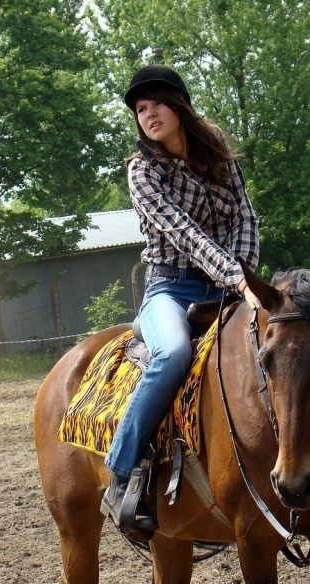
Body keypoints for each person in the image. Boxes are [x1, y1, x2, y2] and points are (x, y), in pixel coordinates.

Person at [101, 64, 261, 532]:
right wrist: (237, 277)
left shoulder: (220, 155)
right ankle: (122, 474)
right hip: (170, 288)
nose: (149, 115)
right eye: (140, 110)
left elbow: (245, 218)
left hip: (228, 282)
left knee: (286, 340)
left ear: (180, 107)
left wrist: (242, 275)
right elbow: (184, 234)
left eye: (157, 105)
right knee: (172, 353)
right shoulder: (142, 172)